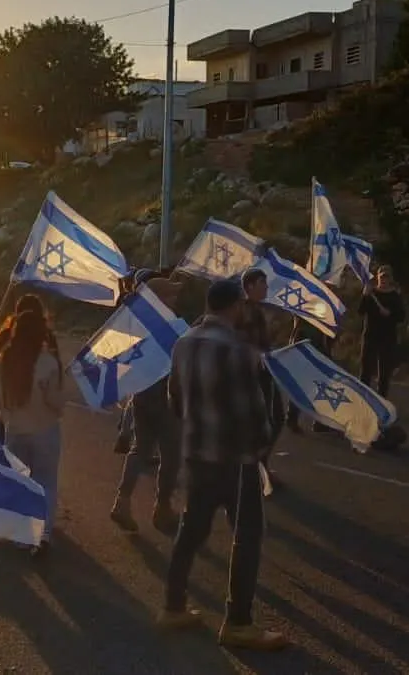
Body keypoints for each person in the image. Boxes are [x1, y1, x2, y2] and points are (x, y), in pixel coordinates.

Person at [161, 278, 285, 651]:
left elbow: (175, 399)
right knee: (247, 534)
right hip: (236, 459)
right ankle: (239, 622)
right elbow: (254, 412)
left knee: (191, 529)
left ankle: (173, 606)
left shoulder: (183, 344)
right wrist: (262, 450)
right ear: (236, 307)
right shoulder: (238, 350)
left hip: (197, 453)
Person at [110, 269, 184, 534]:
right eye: (170, 294)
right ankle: (162, 508)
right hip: (167, 396)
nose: (175, 298)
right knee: (171, 456)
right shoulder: (169, 326)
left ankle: (122, 501)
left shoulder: (136, 324)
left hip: (142, 395)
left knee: (140, 450)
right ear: (160, 298)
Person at [0, 300, 69, 556]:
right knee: (46, 483)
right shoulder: (48, 362)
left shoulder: (6, 360)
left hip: (16, 430)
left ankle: (21, 535)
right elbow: (55, 401)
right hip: (45, 430)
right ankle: (44, 535)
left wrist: (6, 417)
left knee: (21, 482)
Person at [237, 269, 285, 493]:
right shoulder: (244, 311)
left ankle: (260, 465)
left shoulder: (258, 310)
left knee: (274, 419)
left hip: (265, 372)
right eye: (262, 284)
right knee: (266, 421)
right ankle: (253, 469)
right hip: (251, 376)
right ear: (249, 286)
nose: (266, 288)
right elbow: (241, 341)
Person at [358, 266, 405, 397]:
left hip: (388, 338)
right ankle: (363, 399)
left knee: (384, 373)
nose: (384, 279)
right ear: (377, 277)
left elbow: (401, 317)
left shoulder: (395, 296)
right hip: (370, 337)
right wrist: (364, 295)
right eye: (382, 276)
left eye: (387, 277)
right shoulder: (371, 293)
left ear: (391, 279)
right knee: (365, 371)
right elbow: (361, 311)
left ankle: (382, 400)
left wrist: (390, 314)